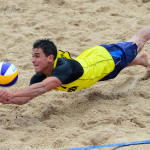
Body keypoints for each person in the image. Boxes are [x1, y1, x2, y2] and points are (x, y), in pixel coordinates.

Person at [0, 26, 150, 105]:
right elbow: (26, 98)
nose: (33, 60)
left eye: (37, 56)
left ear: (50, 58)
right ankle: (142, 60)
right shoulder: (38, 77)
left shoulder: (64, 67)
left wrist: (13, 93)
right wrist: (8, 99)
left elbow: (43, 87)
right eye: (32, 56)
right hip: (96, 75)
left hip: (105, 58)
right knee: (115, 69)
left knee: (138, 40)